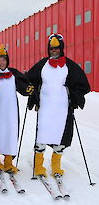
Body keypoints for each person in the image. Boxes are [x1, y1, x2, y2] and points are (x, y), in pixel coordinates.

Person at [26, 34, 90, 177]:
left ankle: (56, 166)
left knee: (61, 137)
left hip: (62, 108)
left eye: (56, 48)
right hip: (45, 108)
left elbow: (83, 85)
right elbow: (29, 80)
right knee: (42, 136)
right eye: (51, 49)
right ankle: (38, 167)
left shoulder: (70, 65)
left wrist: (74, 96)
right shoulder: (42, 64)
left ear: (61, 49)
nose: (54, 51)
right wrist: (33, 95)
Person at [0, 44, 34, 174]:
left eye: (4, 60)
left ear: (7, 60)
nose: (1, 62)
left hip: (10, 111)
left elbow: (23, 86)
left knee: (10, 134)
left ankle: (9, 162)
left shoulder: (14, 74)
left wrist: (27, 90)